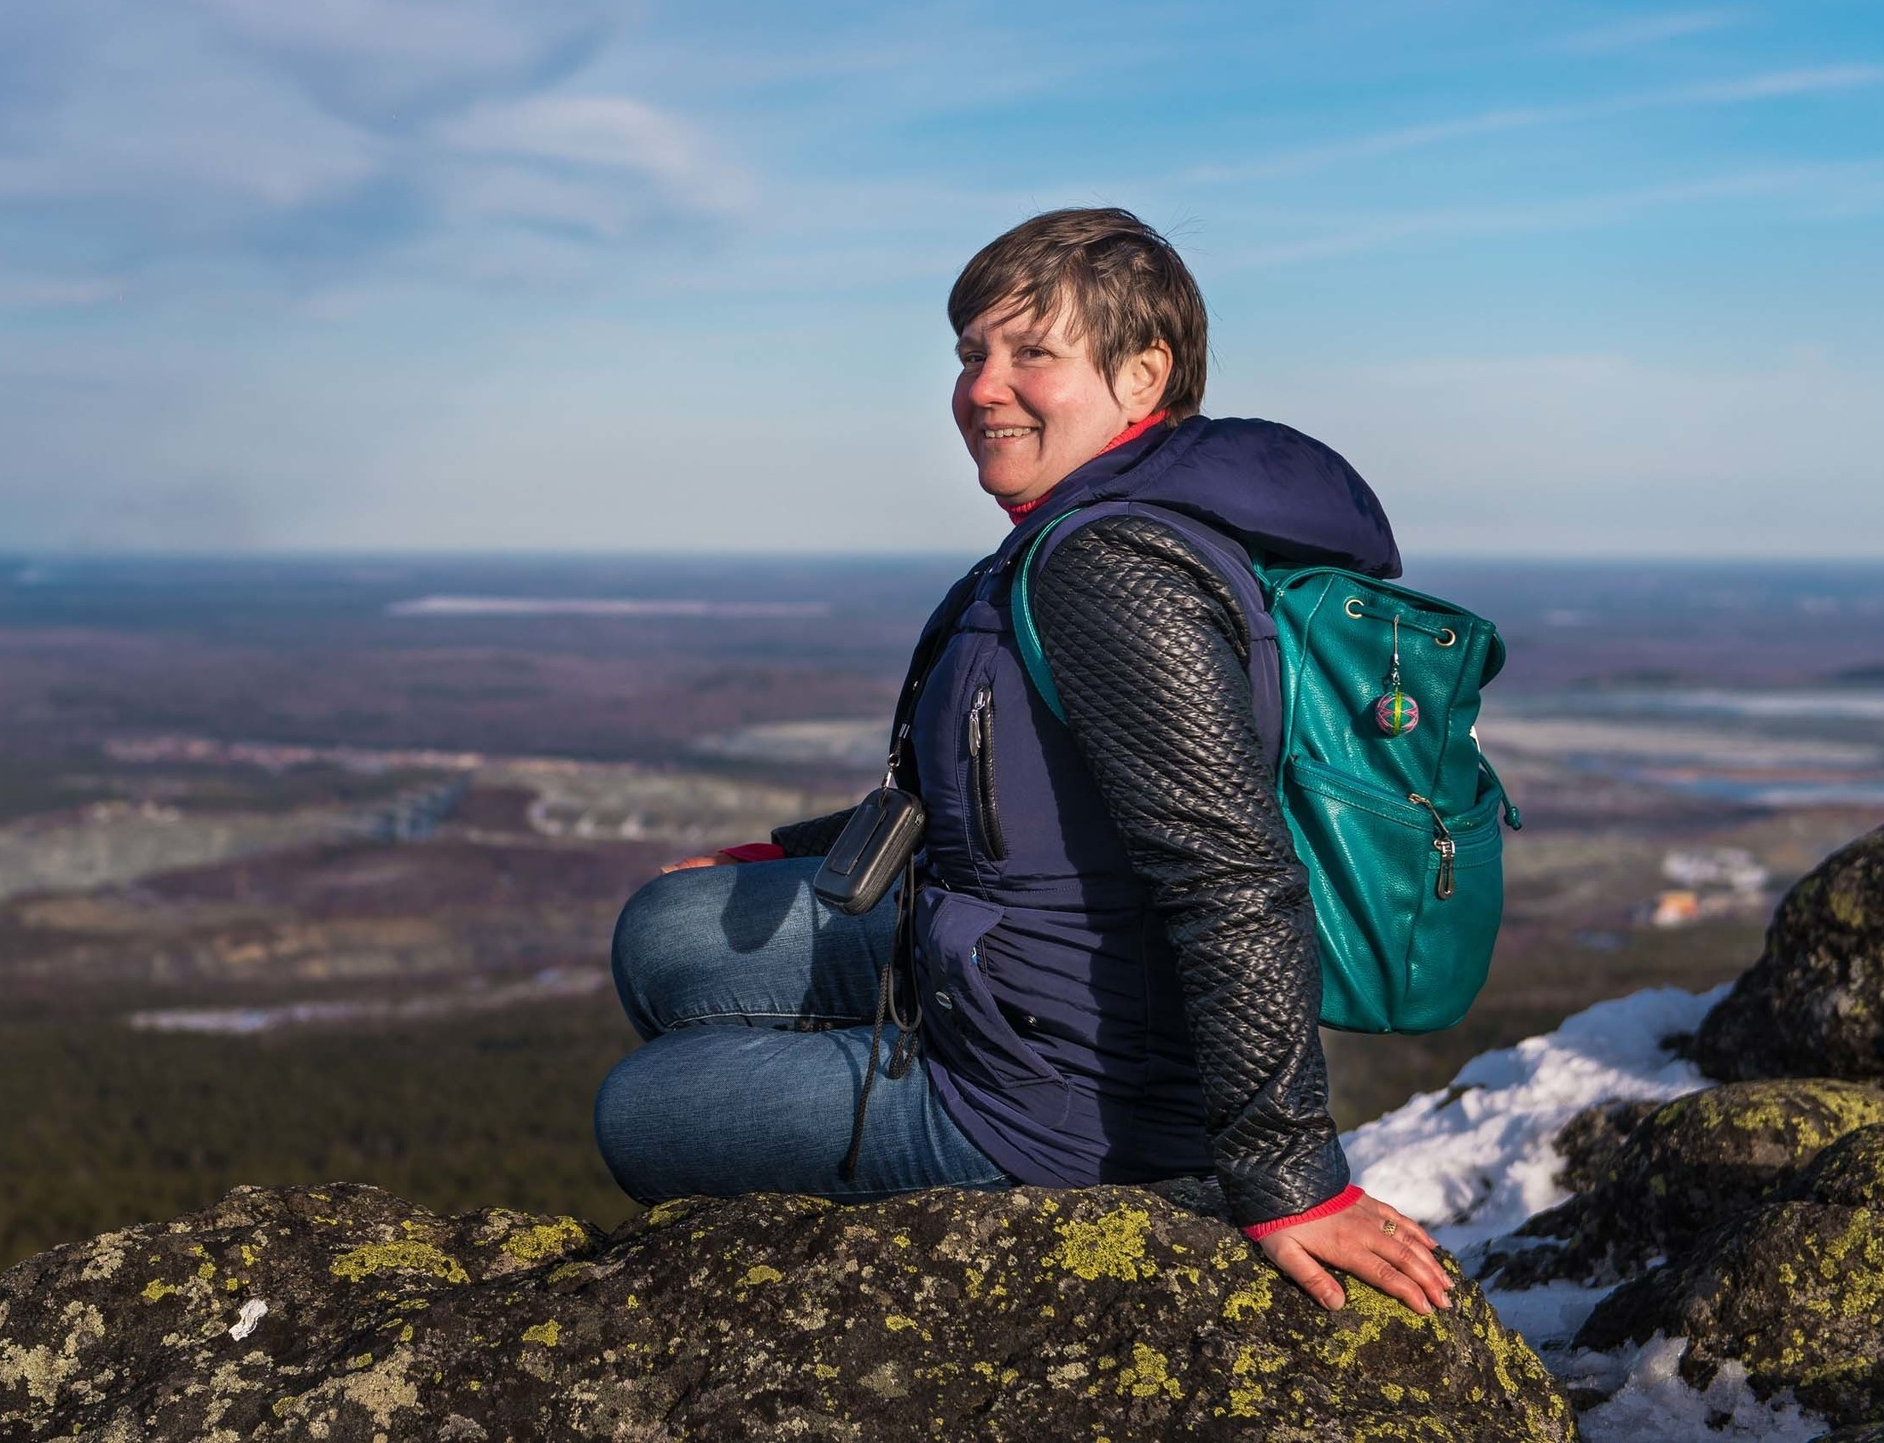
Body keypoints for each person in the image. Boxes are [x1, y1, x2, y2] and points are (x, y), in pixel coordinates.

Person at [593, 208, 1453, 1316]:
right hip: (1017, 962)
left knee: (643, 1108)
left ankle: (1111, 1159)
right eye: (971, 354)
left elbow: (1232, 874)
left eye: (1030, 352)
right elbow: (1011, 791)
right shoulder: (1089, 525)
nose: (980, 388)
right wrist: (797, 850)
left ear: (1142, 375)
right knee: (668, 933)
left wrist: (1289, 1177)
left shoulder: (1111, 566)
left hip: (1061, 1094)